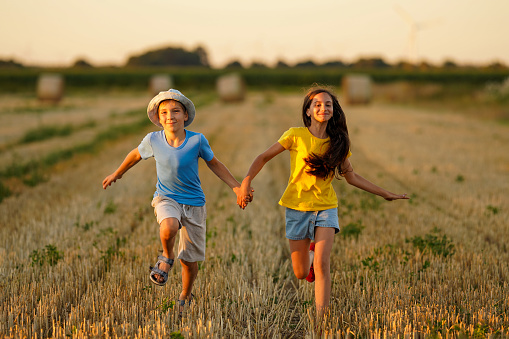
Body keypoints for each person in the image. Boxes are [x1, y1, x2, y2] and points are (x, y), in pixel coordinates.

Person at [236, 86, 408, 320]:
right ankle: (310, 250)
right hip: (297, 207)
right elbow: (263, 157)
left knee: (322, 265)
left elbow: (352, 177)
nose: (323, 108)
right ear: (308, 111)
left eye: (328, 104)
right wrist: (246, 181)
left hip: (326, 207)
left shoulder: (339, 142)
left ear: (333, 110)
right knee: (300, 272)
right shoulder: (296, 135)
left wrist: (385, 193)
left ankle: (321, 319)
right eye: (317, 104)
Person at [103, 89, 252, 309]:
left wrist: (237, 187)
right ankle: (166, 255)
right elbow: (135, 154)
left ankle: (186, 295)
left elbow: (215, 164)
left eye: (175, 111)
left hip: (194, 203)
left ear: (185, 116)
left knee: (189, 261)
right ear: (158, 117)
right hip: (166, 197)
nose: (169, 116)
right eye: (164, 112)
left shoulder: (197, 140)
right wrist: (118, 173)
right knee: (168, 227)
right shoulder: (153, 139)